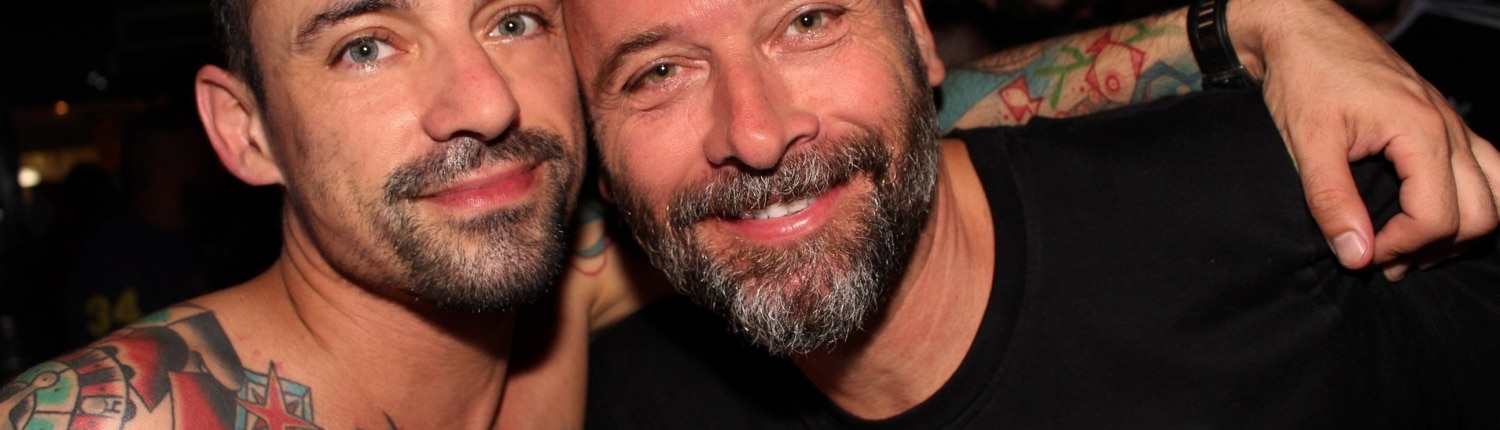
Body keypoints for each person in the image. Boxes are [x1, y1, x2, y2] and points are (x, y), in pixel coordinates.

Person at [0, 0, 1494, 428]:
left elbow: (855, 134)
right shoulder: (125, 420)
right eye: (367, 44)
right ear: (242, 128)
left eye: (512, 19)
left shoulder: (574, 293)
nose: (477, 100)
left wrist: (1249, 26)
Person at [566, 0, 1500, 427]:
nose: (757, 133)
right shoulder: (611, 401)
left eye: (809, 22)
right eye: (659, 72)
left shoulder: (1297, 201)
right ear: (593, 155)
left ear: (919, 37)